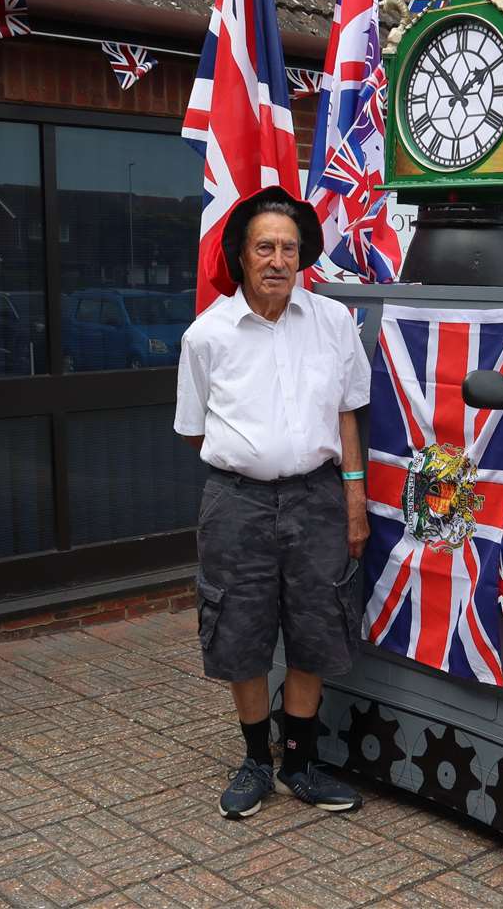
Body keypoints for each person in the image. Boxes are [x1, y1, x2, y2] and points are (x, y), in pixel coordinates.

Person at [174, 186, 371, 820]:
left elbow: (347, 416)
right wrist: (255, 461)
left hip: (319, 499)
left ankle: (302, 764)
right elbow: (198, 429)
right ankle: (256, 761)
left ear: (303, 255)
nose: (278, 260)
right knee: (241, 630)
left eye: (289, 247)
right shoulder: (206, 337)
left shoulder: (335, 322)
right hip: (237, 504)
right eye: (265, 247)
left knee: (317, 626)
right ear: (241, 255)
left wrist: (355, 498)